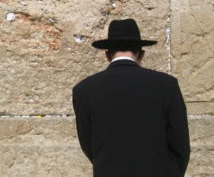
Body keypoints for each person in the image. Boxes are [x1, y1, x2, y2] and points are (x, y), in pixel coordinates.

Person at [72, 19, 190, 177]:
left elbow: (88, 144)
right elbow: (180, 144)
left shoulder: (84, 89)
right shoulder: (167, 85)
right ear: (141, 54)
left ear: (107, 55)